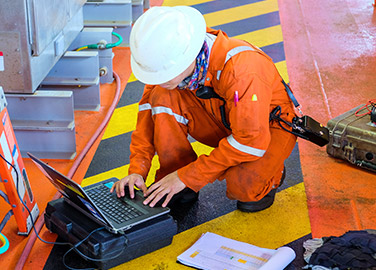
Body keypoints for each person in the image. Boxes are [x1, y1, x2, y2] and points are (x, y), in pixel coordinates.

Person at [110, 6, 297, 212]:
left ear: (186, 57)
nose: (157, 81)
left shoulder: (242, 70)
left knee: (245, 187)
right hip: (225, 118)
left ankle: (273, 175)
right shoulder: (166, 67)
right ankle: (176, 181)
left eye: (162, 75)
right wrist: (137, 170)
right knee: (162, 96)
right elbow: (147, 120)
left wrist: (189, 176)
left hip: (266, 129)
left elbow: (251, 141)